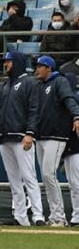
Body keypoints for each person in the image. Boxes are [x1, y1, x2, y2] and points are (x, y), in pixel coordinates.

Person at [0, 51, 45, 226]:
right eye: (5, 62)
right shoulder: (4, 85)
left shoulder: (29, 82)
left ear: (17, 62)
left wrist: (30, 133)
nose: (6, 65)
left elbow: (35, 109)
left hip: (21, 136)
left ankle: (38, 215)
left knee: (29, 177)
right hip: (4, 137)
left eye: (9, 62)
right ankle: (20, 216)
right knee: (14, 180)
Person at [35, 55, 79, 226]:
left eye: (40, 66)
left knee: (73, 182)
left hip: (72, 144)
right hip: (55, 139)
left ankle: (66, 216)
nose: (37, 69)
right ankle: (60, 216)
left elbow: (71, 105)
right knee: (48, 177)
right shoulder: (42, 87)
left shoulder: (61, 85)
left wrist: (76, 116)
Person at [62, 73, 79, 227]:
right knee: (72, 183)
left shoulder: (74, 98)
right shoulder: (65, 100)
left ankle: (77, 215)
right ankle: (76, 215)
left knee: (76, 183)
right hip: (69, 147)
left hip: (75, 146)